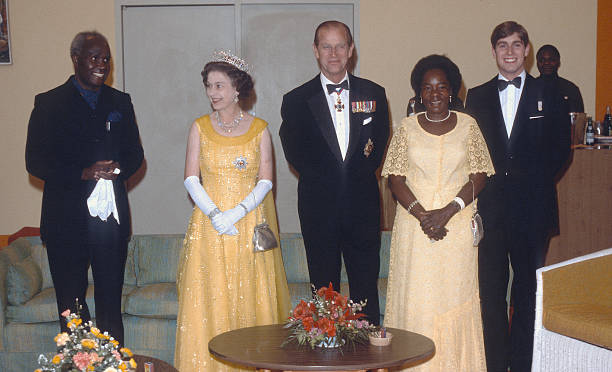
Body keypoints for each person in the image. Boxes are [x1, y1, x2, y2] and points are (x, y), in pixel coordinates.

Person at [25, 31, 144, 345]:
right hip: (65, 222)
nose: (102, 65)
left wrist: (117, 170)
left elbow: (135, 155)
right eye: (94, 57)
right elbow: (35, 162)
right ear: (75, 58)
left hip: (109, 223)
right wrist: (83, 173)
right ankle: (79, 364)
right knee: (71, 308)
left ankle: (114, 363)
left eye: (106, 59)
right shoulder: (48, 103)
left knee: (110, 308)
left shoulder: (121, 102)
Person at [174, 52, 291, 371]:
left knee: (250, 297)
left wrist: (236, 212)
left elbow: (266, 181)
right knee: (211, 297)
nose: (213, 92)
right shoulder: (199, 127)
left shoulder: (260, 129)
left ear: (237, 88)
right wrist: (214, 214)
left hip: (247, 225)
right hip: (209, 227)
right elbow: (189, 177)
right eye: (209, 86)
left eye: (219, 85)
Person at [465, 21, 571, 372]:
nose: (509, 52)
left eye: (515, 45)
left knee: (527, 294)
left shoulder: (552, 93)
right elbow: (473, 152)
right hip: (491, 212)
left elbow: (560, 151)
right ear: (493, 51)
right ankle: (495, 364)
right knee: (491, 295)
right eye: (502, 46)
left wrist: (530, 185)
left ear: (527, 50)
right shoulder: (476, 96)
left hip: (533, 210)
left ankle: (523, 364)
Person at [383, 55, 493, 371]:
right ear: (418, 93)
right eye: (427, 88)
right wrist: (423, 216)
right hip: (414, 230)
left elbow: (480, 175)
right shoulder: (405, 128)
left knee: (454, 299)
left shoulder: (469, 126)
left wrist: (447, 211)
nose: (434, 94)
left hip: (457, 228)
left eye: (441, 87)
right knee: (417, 300)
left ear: (452, 91)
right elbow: (395, 179)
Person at [279, 20, 389, 325]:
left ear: (351, 50)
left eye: (340, 45)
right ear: (315, 51)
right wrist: (330, 182)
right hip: (318, 207)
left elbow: (378, 147)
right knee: (324, 288)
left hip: (363, 207)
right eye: (326, 46)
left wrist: (351, 180)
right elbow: (295, 154)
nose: (334, 53)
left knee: (365, 286)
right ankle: (326, 356)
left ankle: (366, 358)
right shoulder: (296, 100)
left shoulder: (375, 93)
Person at [536, 44, 584, 113]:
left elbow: (579, 121)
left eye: (551, 60)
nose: (546, 63)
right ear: (537, 63)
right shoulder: (529, 89)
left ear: (558, 63)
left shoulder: (571, 89)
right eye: (542, 60)